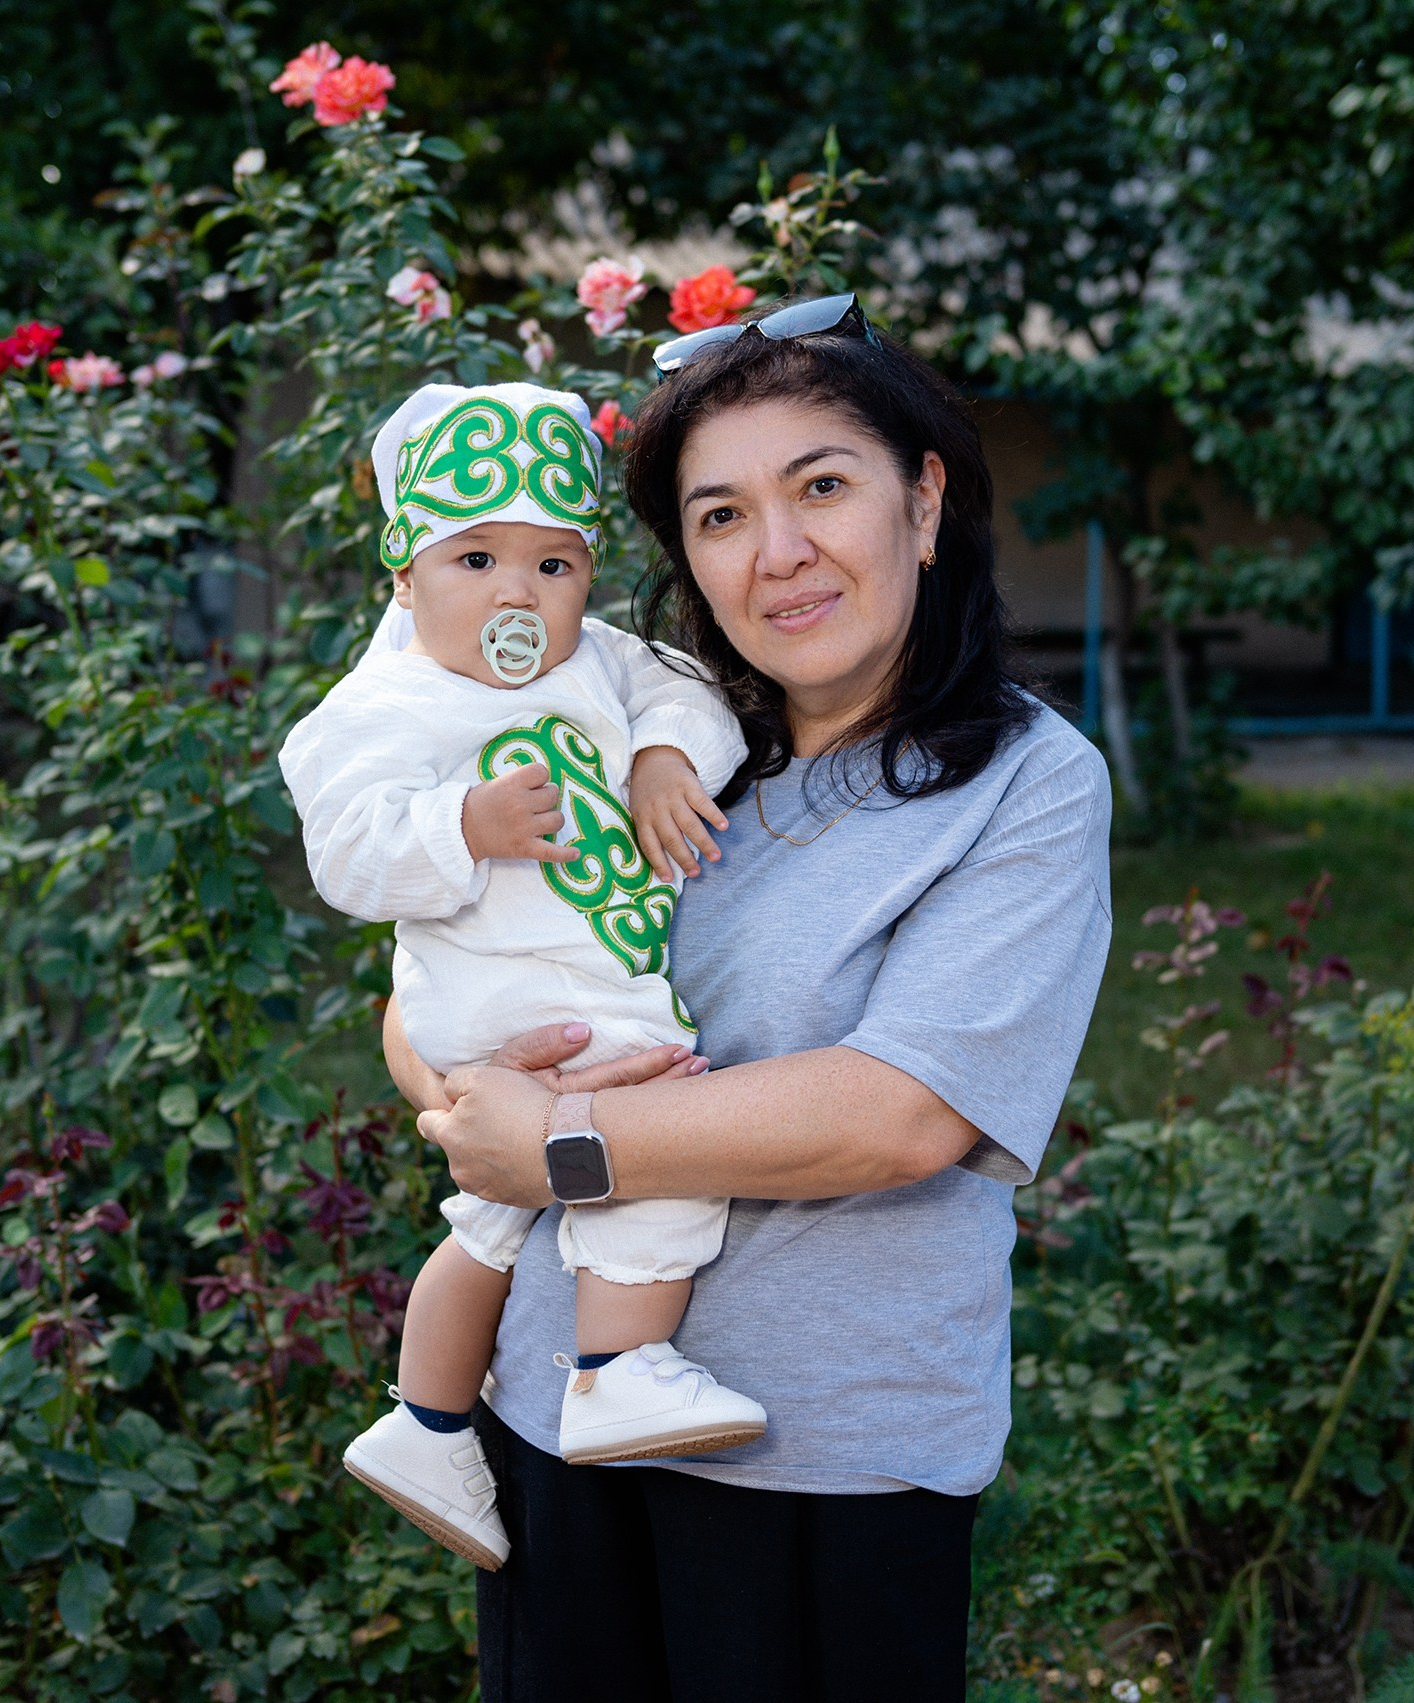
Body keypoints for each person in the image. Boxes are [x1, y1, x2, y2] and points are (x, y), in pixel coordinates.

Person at [384, 299, 1115, 1701]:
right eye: (720, 515)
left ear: (924, 494)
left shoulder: (1022, 783)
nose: (777, 552)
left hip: (823, 1457)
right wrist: (464, 1093)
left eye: (822, 486)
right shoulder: (646, 748)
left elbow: (900, 1114)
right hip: (553, 1415)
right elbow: (426, 990)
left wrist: (554, 1138)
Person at [278, 381, 768, 1575]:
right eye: (478, 558)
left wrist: (660, 755)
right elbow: (345, 847)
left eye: (554, 566)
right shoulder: (384, 703)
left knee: (495, 1214)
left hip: (571, 978)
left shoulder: (603, 658)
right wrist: (461, 823)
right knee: (652, 1135)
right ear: (405, 575)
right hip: (503, 991)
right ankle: (616, 1369)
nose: (517, 593)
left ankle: (428, 1421)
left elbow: (684, 687)